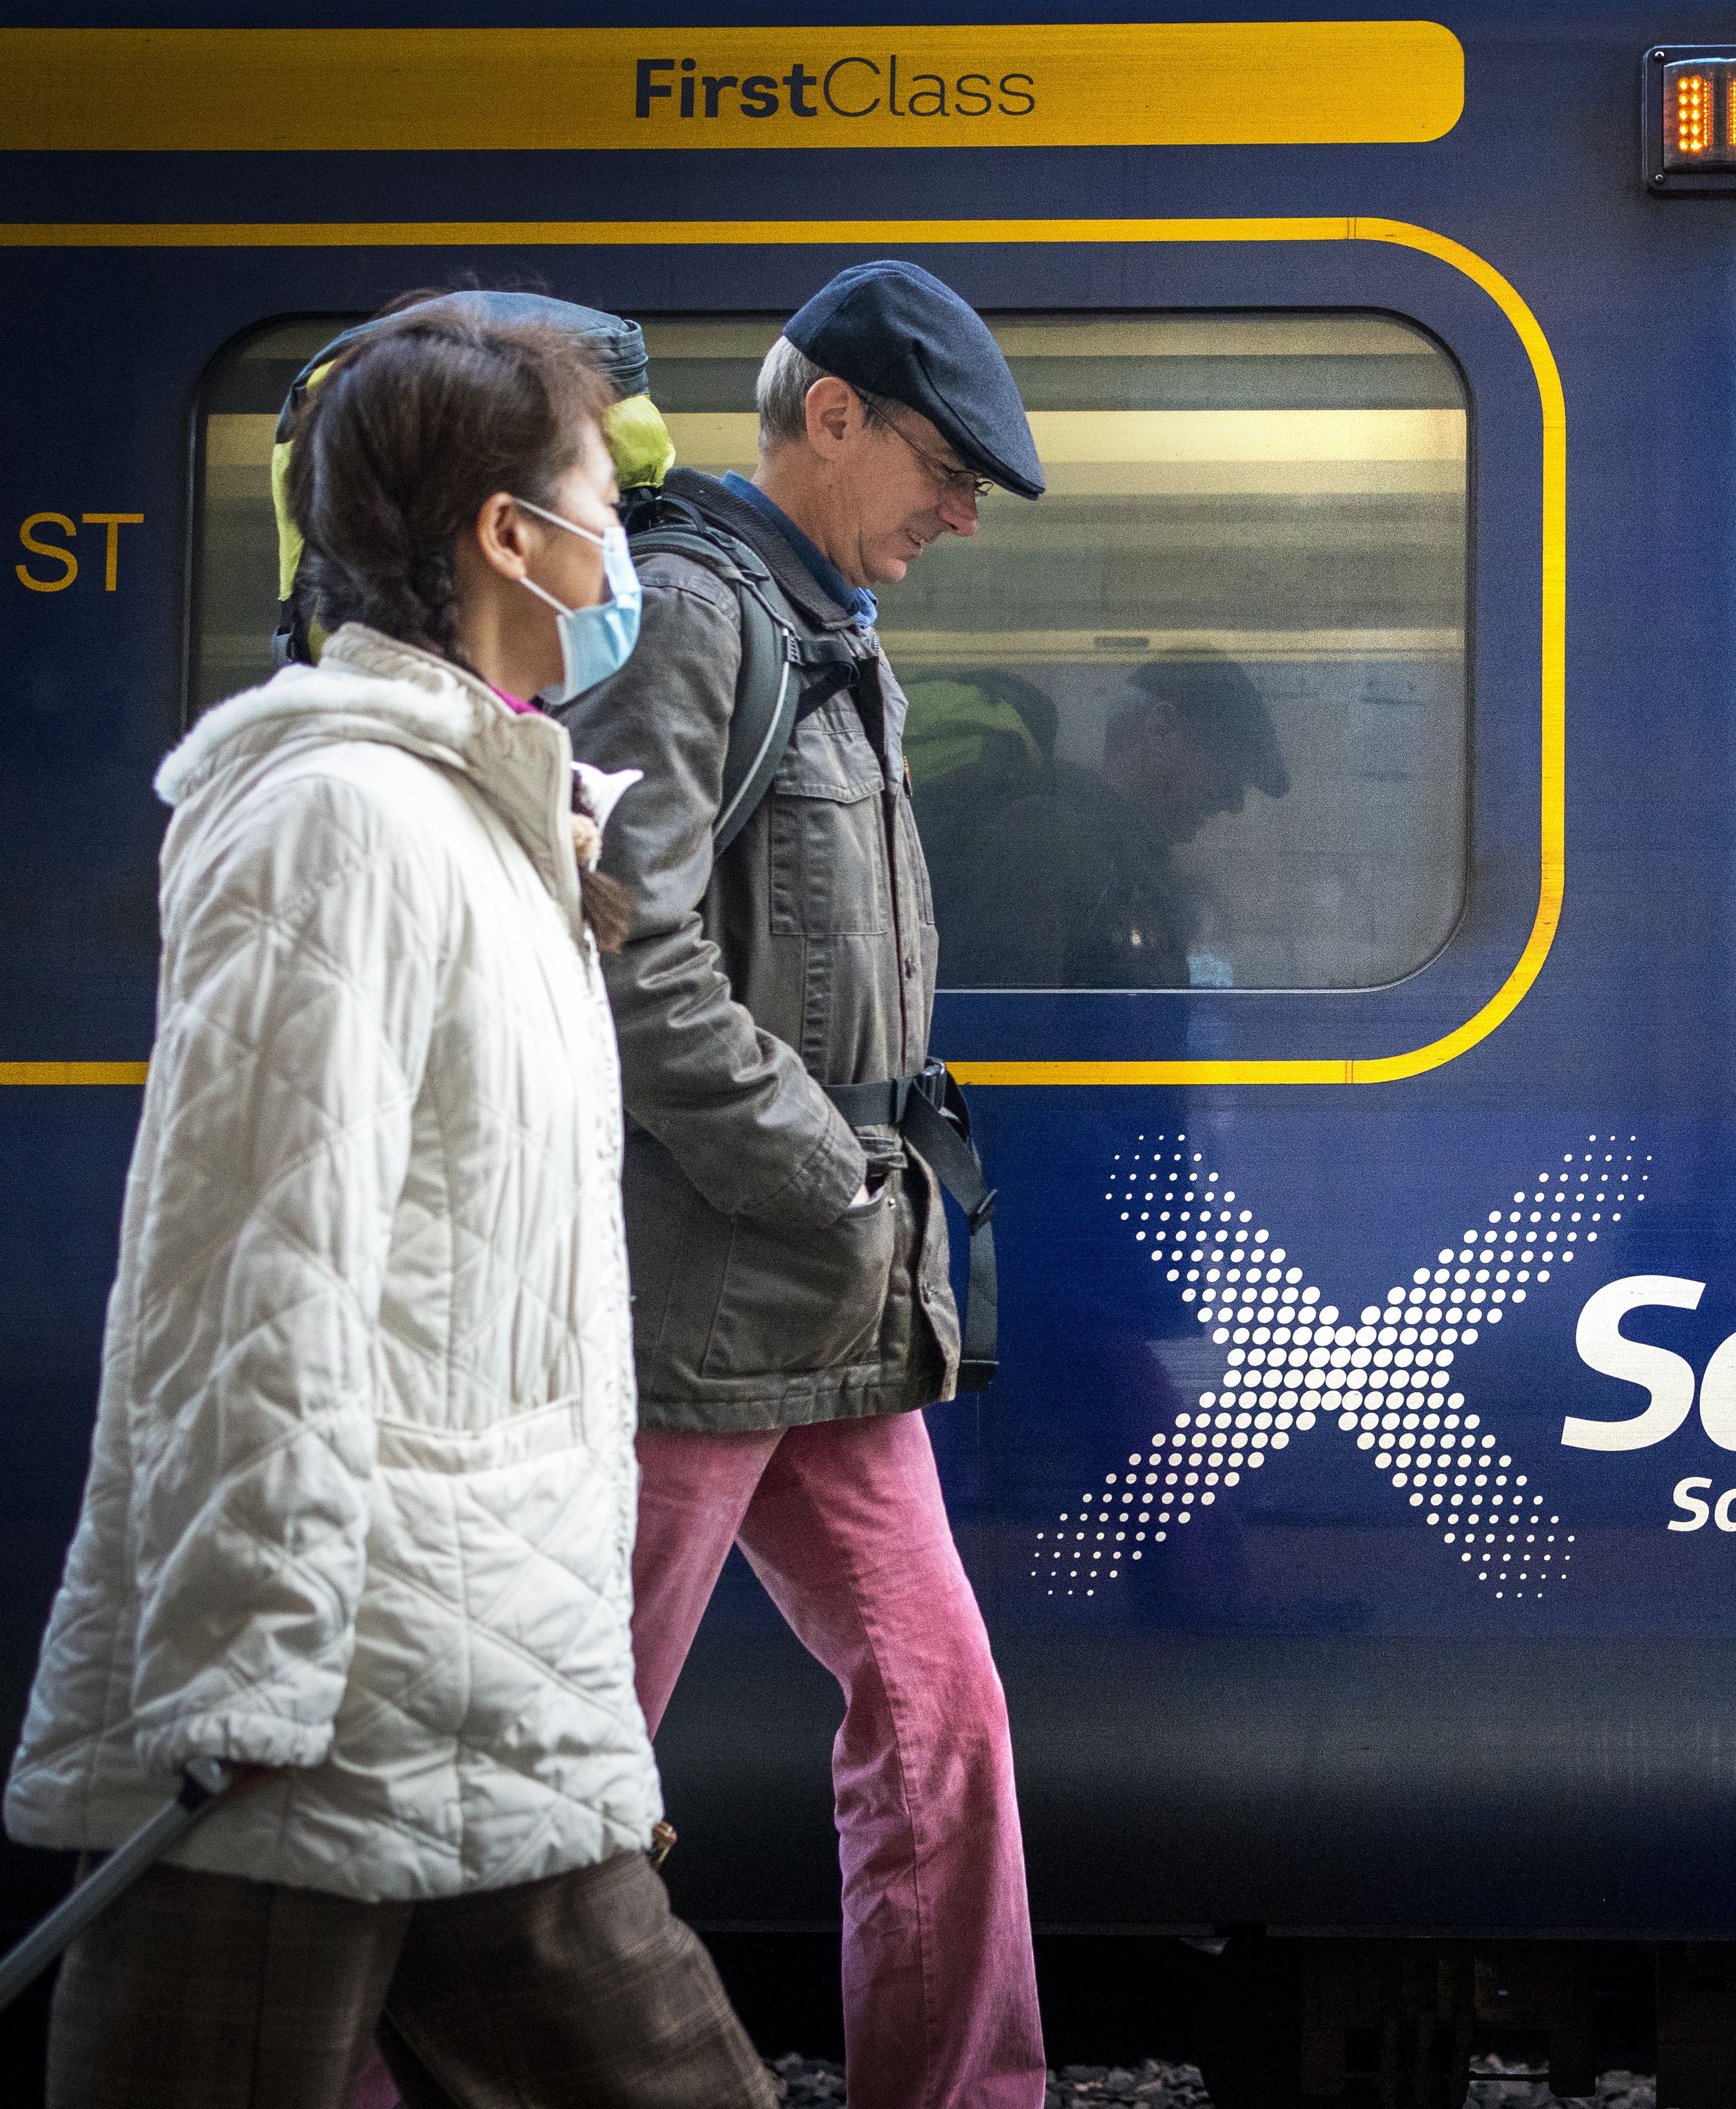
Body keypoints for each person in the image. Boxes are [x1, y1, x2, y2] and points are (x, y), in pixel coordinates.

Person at [5, 301, 769, 2108]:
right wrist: (238, 1690)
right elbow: (246, 1271)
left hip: (470, 1669)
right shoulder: (344, 819)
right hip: (328, 1700)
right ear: (510, 534)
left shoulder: (489, 822)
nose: (633, 552)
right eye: (606, 498)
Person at [554, 260, 1049, 2109]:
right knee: (559, 1761)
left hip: (828, 1303)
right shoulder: (698, 614)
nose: (962, 509)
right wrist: (822, 1170)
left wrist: (856, 1205)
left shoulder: (827, 626)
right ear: (827, 415)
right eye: (940, 462)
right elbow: (627, 952)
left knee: (944, 1722)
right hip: (700, 1298)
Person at [935, 647, 1287, 988]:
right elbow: (1009, 1034)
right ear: (1159, 731)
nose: (1234, 803)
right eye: (1227, 765)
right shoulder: (1045, 841)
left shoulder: (1130, 864)